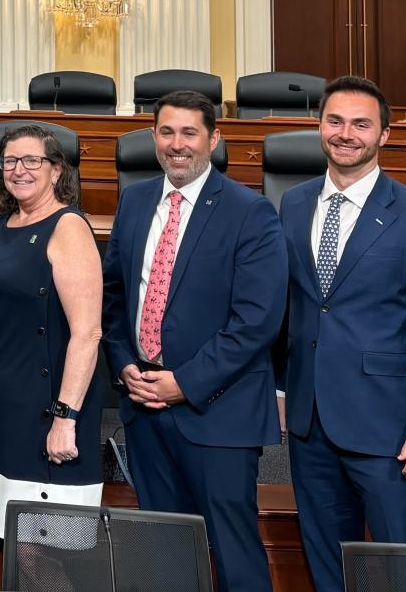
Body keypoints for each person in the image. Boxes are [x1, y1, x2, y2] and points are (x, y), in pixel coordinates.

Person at [279, 76, 406, 592]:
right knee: (328, 566)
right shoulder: (293, 205)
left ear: (384, 135)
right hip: (309, 423)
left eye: (361, 124)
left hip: (389, 428)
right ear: (319, 126)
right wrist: (279, 387)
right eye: (335, 121)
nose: (346, 134)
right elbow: (291, 310)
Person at [100, 90, 286, 592]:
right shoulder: (135, 200)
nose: (176, 144)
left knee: (233, 552)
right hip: (143, 407)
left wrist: (183, 382)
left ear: (214, 138)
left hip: (218, 413)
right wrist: (122, 365)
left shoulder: (251, 212)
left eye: (189, 132)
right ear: (153, 136)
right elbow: (113, 295)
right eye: (166, 131)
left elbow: (257, 320)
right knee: (162, 551)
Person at [0, 124, 104, 538]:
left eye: (32, 160)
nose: (19, 170)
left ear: (56, 170)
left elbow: (88, 333)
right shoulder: (1, 224)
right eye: (9, 161)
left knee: (48, 549)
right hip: (1, 412)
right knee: (5, 536)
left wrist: (65, 418)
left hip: (46, 413)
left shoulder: (68, 227)